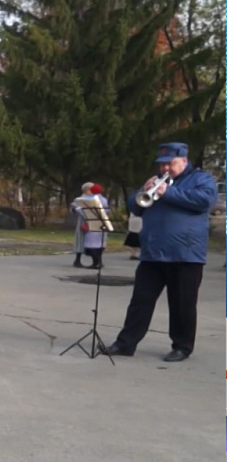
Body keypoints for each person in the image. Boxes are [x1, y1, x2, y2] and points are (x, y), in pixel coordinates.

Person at [105, 142, 217, 362]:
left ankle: (182, 346)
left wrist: (168, 191)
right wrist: (143, 191)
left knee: (182, 304)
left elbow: (204, 202)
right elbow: (134, 205)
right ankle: (126, 343)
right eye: (162, 164)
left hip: (186, 254)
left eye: (171, 164)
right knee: (140, 301)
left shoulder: (200, 179)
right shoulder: (155, 181)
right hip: (153, 253)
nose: (165, 168)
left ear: (184, 161)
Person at [73, 184, 109, 269]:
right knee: (99, 244)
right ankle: (98, 262)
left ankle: (96, 263)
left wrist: (77, 210)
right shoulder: (103, 199)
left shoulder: (91, 199)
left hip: (91, 223)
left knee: (92, 244)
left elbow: (85, 211)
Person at [70, 182, 94, 267]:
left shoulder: (94, 199)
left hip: (93, 222)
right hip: (83, 222)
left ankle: (96, 260)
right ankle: (77, 260)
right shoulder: (79, 199)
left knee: (94, 241)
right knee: (81, 239)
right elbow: (74, 209)